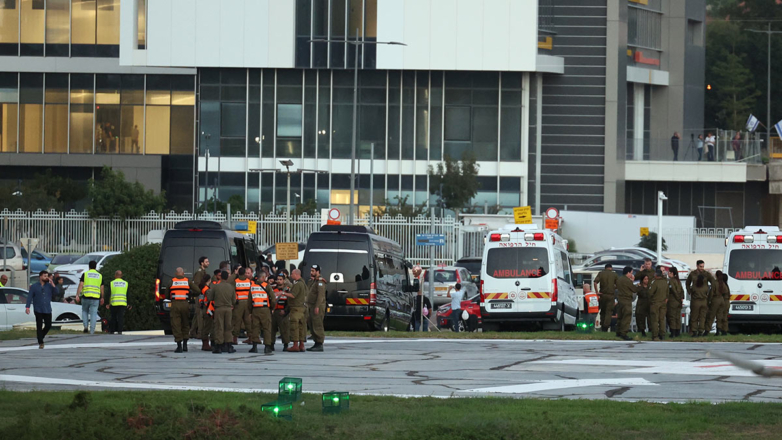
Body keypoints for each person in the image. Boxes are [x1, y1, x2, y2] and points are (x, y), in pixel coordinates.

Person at [166, 267, 198, 353]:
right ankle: (185, 345)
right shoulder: (188, 281)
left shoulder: (171, 281)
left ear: (176, 274)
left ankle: (179, 346)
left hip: (175, 304)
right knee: (185, 323)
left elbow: (166, 295)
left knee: (176, 324)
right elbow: (198, 290)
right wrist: (190, 294)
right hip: (185, 304)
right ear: (183, 273)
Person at [25, 270, 57, 349]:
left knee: (48, 325)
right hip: (38, 308)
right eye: (44, 276)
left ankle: (40, 336)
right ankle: (41, 342)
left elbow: (57, 292)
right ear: (40, 277)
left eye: (47, 276)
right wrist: (27, 307)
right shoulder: (34, 286)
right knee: (39, 325)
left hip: (47, 309)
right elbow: (30, 297)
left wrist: (52, 283)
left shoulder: (49, 286)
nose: (46, 277)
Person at [206, 270, 236, 354]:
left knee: (219, 327)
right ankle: (229, 345)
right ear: (227, 277)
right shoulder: (231, 287)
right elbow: (234, 300)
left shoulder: (216, 286)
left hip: (219, 308)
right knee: (228, 327)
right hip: (228, 309)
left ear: (221, 277)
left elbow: (210, 298)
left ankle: (218, 346)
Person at [249, 269, 275, 354]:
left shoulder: (252, 286)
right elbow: (273, 299)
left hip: (255, 309)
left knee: (255, 328)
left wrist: (250, 311)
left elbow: (249, 301)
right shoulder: (267, 286)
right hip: (265, 309)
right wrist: (272, 307)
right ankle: (267, 347)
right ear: (263, 277)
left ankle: (254, 346)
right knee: (267, 328)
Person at [75, 260, 104, 334]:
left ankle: (85, 326)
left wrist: (77, 295)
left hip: (86, 296)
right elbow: (102, 287)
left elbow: (81, 285)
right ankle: (92, 331)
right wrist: (102, 297)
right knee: (93, 314)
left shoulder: (85, 274)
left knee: (84, 311)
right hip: (95, 298)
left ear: (89, 266)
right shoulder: (99, 275)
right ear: (95, 266)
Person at [306, 264, 327, 351]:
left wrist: (317, 306)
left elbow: (320, 296)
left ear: (318, 272)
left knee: (317, 324)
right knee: (312, 324)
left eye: (313, 271)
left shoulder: (320, 282)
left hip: (317, 306)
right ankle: (316, 342)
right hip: (311, 305)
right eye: (311, 271)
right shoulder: (313, 281)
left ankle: (319, 343)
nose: (311, 273)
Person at [189, 256, 210, 342]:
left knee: (196, 314)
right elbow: (197, 285)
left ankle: (192, 332)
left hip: (201, 294)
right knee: (200, 315)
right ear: (202, 263)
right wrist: (201, 292)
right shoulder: (199, 272)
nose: (208, 263)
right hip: (200, 295)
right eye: (206, 261)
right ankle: (200, 333)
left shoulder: (203, 271)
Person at [271, 273, 293, 351]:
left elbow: (289, 302)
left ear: (284, 280)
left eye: (281, 279)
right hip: (274, 312)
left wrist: (285, 311)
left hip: (282, 311)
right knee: (272, 329)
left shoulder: (287, 290)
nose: (279, 281)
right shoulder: (272, 289)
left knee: (284, 329)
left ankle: (286, 344)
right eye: (278, 279)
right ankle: (271, 344)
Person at [593, 263, 618, 332]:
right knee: (609, 312)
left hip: (602, 295)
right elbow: (618, 284)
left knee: (603, 311)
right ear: (611, 268)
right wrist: (613, 288)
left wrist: (597, 292)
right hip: (610, 295)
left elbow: (595, 282)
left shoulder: (601, 273)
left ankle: (602, 325)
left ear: (605, 268)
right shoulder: (614, 274)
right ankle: (605, 327)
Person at [231, 267, 252, 344]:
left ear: (239, 273)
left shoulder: (235, 281)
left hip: (238, 303)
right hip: (247, 303)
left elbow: (233, 293)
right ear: (244, 273)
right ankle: (251, 338)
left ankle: (234, 339)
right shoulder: (249, 281)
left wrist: (233, 302)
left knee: (237, 321)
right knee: (248, 321)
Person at [288, 269, 308, 352]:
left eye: (292, 274)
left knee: (294, 326)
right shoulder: (303, 284)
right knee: (301, 327)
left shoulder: (297, 284)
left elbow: (293, 295)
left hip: (296, 308)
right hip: (302, 308)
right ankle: (301, 345)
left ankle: (295, 345)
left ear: (296, 274)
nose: (291, 275)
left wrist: (283, 293)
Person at [615, 266, 637, 340]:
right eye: (631, 273)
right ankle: (624, 333)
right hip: (626, 301)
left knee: (620, 317)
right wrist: (633, 282)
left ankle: (618, 332)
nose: (632, 274)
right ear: (628, 272)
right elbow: (634, 289)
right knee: (626, 317)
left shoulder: (619, 279)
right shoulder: (627, 281)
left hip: (620, 300)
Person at [705, 270, 729, 336]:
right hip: (722, 300)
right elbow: (726, 291)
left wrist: (708, 300)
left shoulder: (715, 283)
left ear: (716, 275)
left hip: (715, 299)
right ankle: (718, 331)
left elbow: (711, 292)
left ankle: (707, 331)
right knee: (720, 317)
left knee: (711, 316)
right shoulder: (722, 283)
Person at [648, 268, 669, 341]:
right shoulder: (665, 282)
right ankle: (662, 335)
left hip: (655, 303)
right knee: (662, 319)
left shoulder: (655, 283)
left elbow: (650, 293)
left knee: (655, 320)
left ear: (656, 275)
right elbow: (667, 293)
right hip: (663, 303)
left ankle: (655, 335)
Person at [106, 270, 129, 335]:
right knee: (120, 317)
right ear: (121, 276)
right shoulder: (125, 283)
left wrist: (107, 303)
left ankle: (112, 330)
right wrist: (129, 303)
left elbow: (108, 293)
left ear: (115, 275)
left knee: (113, 317)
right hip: (123, 303)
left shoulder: (112, 283)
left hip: (114, 303)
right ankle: (120, 330)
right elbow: (128, 294)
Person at [666, 268, 684, 338]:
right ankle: (678, 331)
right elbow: (682, 291)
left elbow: (673, 290)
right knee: (677, 317)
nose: (668, 274)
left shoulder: (671, 281)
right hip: (678, 302)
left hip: (673, 301)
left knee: (672, 317)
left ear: (672, 273)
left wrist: (678, 298)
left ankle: (673, 332)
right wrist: (681, 298)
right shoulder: (678, 281)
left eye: (669, 272)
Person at [197, 274, 213, 351]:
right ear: (209, 280)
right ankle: (205, 344)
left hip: (203, 308)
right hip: (208, 309)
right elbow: (210, 299)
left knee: (204, 326)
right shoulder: (207, 289)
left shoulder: (202, 288)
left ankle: (205, 343)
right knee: (207, 327)